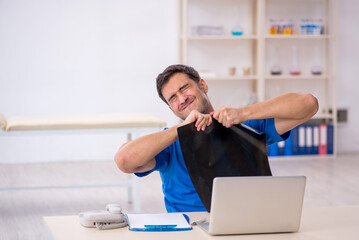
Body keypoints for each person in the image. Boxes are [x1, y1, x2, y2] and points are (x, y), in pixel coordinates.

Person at [114, 64, 318, 212]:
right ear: (171, 109)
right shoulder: (170, 143)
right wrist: (182, 130)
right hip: (190, 229)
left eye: (184, 88)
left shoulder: (245, 123)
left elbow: (308, 104)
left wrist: (245, 114)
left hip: (247, 221)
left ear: (202, 85)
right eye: (173, 98)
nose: (182, 98)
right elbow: (124, 160)